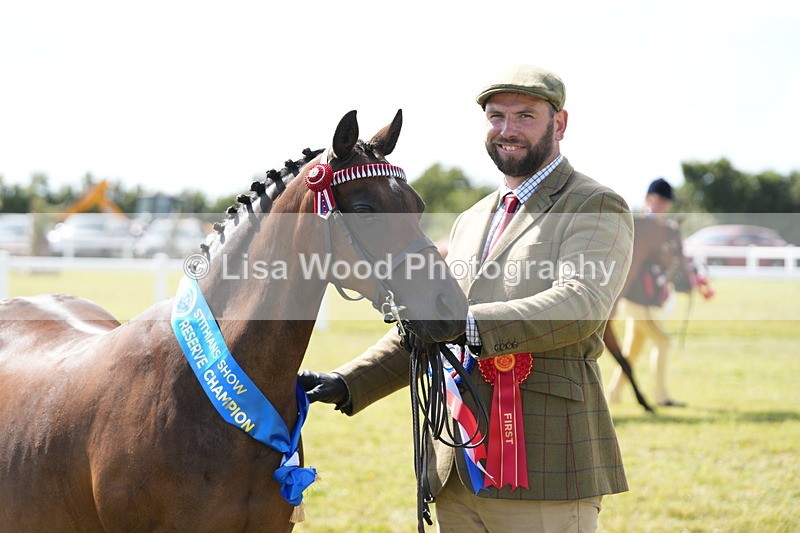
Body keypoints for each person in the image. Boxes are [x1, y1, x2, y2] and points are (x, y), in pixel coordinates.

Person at [299, 65, 634, 532]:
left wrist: (469, 323)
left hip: (545, 465)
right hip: (454, 471)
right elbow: (432, 324)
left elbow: (582, 303)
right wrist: (348, 380)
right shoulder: (471, 219)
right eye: (496, 117)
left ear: (559, 123)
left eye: (525, 116)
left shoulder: (593, 204)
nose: (507, 130)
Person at [606, 177, 685, 407]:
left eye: (665, 202)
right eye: (658, 200)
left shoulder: (665, 230)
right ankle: (661, 397)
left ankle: (613, 394)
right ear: (648, 200)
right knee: (664, 342)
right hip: (637, 298)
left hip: (646, 298)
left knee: (632, 350)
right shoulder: (638, 225)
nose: (662, 205)